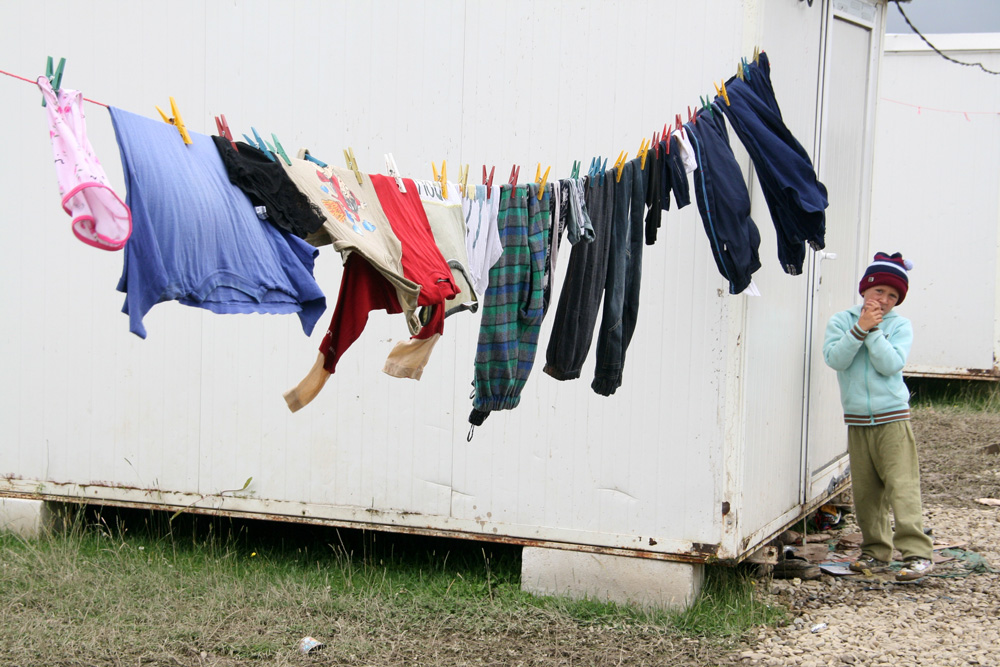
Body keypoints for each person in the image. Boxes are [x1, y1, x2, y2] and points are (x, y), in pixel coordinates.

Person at [823, 252, 934, 582]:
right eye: (878, 292)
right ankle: (875, 552)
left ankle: (917, 555)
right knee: (867, 493)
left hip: (893, 418)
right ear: (864, 291)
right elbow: (836, 359)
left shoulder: (899, 325)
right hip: (858, 421)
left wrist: (872, 331)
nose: (883, 300)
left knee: (902, 487)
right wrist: (859, 328)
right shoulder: (842, 321)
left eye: (892, 296)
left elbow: (890, 364)